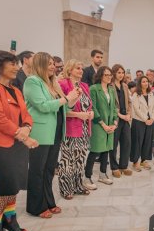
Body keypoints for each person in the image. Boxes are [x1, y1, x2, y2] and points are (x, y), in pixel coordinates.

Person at [24, 52, 80, 218]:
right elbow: (42, 106)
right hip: (40, 132)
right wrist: (65, 99)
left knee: (49, 169)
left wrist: (73, 99)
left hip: (55, 130)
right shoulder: (32, 81)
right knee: (37, 170)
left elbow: (63, 107)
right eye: (49, 63)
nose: (53, 66)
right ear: (40, 65)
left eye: (53, 64)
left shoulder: (52, 82)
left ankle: (49, 202)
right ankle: (35, 207)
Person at [0, 50, 38, 231]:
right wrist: (22, 134)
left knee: (16, 184)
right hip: (1, 144)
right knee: (5, 184)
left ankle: (9, 219)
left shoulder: (16, 90)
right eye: (12, 63)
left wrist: (27, 128)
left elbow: (26, 114)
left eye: (17, 63)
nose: (17, 67)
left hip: (19, 142)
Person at [58, 59, 93, 199]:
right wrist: (80, 114)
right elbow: (62, 109)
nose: (81, 70)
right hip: (71, 127)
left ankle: (78, 185)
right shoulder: (62, 84)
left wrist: (91, 113)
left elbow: (89, 105)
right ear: (69, 70)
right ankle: (66, 189)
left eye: (81, 68)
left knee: (80, 159)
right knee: (68, 160)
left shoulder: (84, 85)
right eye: (77, 68)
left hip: (84, 128)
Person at [84, 66, 118, 189]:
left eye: (110, 75)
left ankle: (103, 174)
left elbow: (114, 107)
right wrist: (103, 124)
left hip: (110, 124)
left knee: (106, 150)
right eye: (106, 75)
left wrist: (114, 123)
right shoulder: (93, 89)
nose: (109, 77)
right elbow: (93, 107)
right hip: (98, 124)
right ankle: (87, 177)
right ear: (100, 76)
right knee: (95, 151)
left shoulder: (111, 89)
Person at [109, 64, 132, 178]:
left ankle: (124, 165)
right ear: (114, 73)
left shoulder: (125, 86)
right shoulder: (110, 86)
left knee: (127, 142)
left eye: (122, 72)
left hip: (126, 118)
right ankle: (114, 167)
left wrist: (129, 114)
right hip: (116, 119)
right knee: (114, 144)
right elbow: (111, 105)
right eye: (119, 72)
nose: (121, 74)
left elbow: (129, 102)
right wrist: (120, 116)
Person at [130, 76, 154, 171]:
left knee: (147, 141)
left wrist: (152, 118)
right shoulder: (136, 94)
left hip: (150, 121)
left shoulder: (150, 94)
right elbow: (136, 109)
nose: (145, 83)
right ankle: (135, 161)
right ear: (140, 83)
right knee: (137, 142)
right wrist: (146, 119)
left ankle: (143, 160)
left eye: (147, 81)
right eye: (143, 81)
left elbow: (153, 107)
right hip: (139, 121)